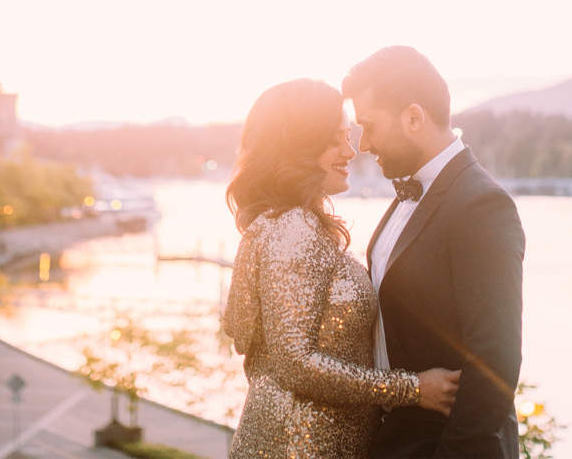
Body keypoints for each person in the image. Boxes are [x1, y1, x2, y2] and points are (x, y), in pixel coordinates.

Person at [222, 78, 460, 458]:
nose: (350, 151)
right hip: (297, 448)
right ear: (297, 145)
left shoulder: (291, 224)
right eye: (335, 139)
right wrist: (413, 389)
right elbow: (295, 364)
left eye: (347, 136)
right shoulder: (292, 228)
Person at [344, 46, 526, 459]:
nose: (364, 144)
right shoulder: (411, 192)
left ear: (413, 118)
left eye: (369, 127)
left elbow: (494, 361)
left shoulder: (482, 206)